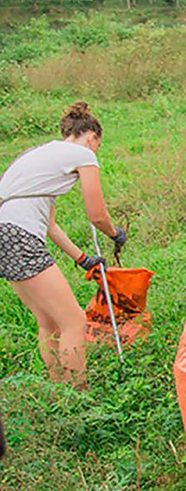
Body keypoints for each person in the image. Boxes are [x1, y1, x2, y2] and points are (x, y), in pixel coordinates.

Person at [0, 101, 126, 390]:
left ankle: (59, 391)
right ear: (92, 137)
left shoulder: (38, 154)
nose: (95, 152)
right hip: (20, 237)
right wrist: (115, 234)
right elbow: (96, 214)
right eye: (97, 145)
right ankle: (78, 395)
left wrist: (81, 258)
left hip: (5, 236)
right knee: (74, 322)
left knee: (49, 323)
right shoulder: (82, 154)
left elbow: (50, 225)